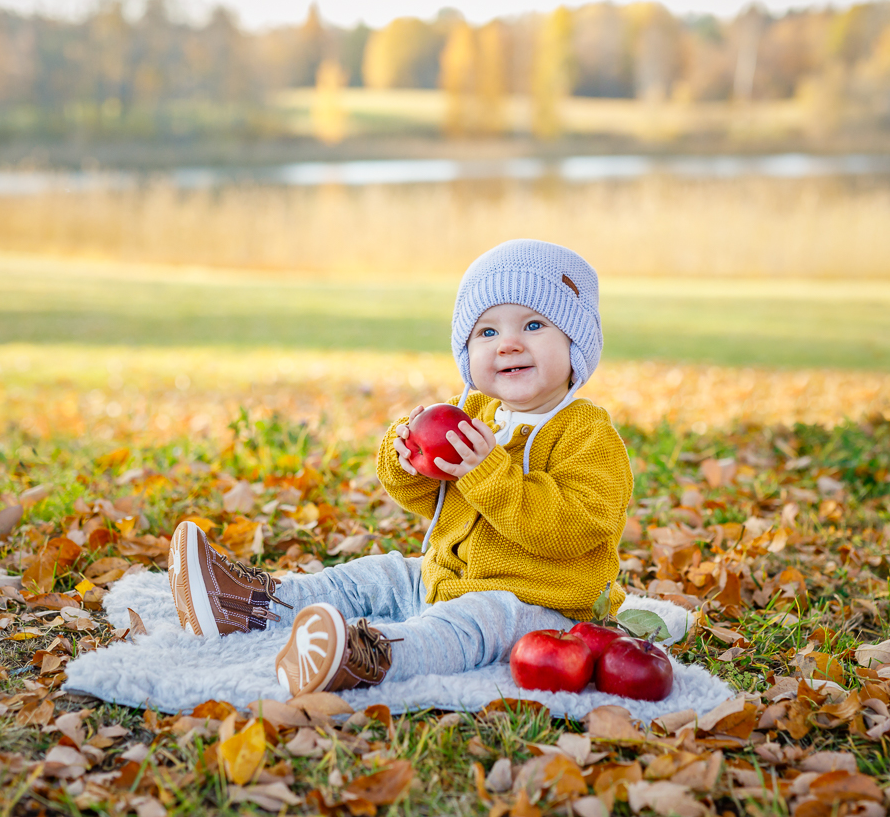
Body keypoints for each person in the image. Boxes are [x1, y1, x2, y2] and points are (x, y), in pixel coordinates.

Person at [167, 239, 633, 698]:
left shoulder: (586, 433)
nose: (508, 345)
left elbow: (575, 527)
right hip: (448, 577)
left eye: (533, 325)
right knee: (377, 575)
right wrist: (406, 458)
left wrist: (489, 473)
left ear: (576, 344)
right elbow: (428, 498)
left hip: (542, 606)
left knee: (462, 628)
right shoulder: (472, 414)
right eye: (487, 333)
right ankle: (253, 605)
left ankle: (367, 657)